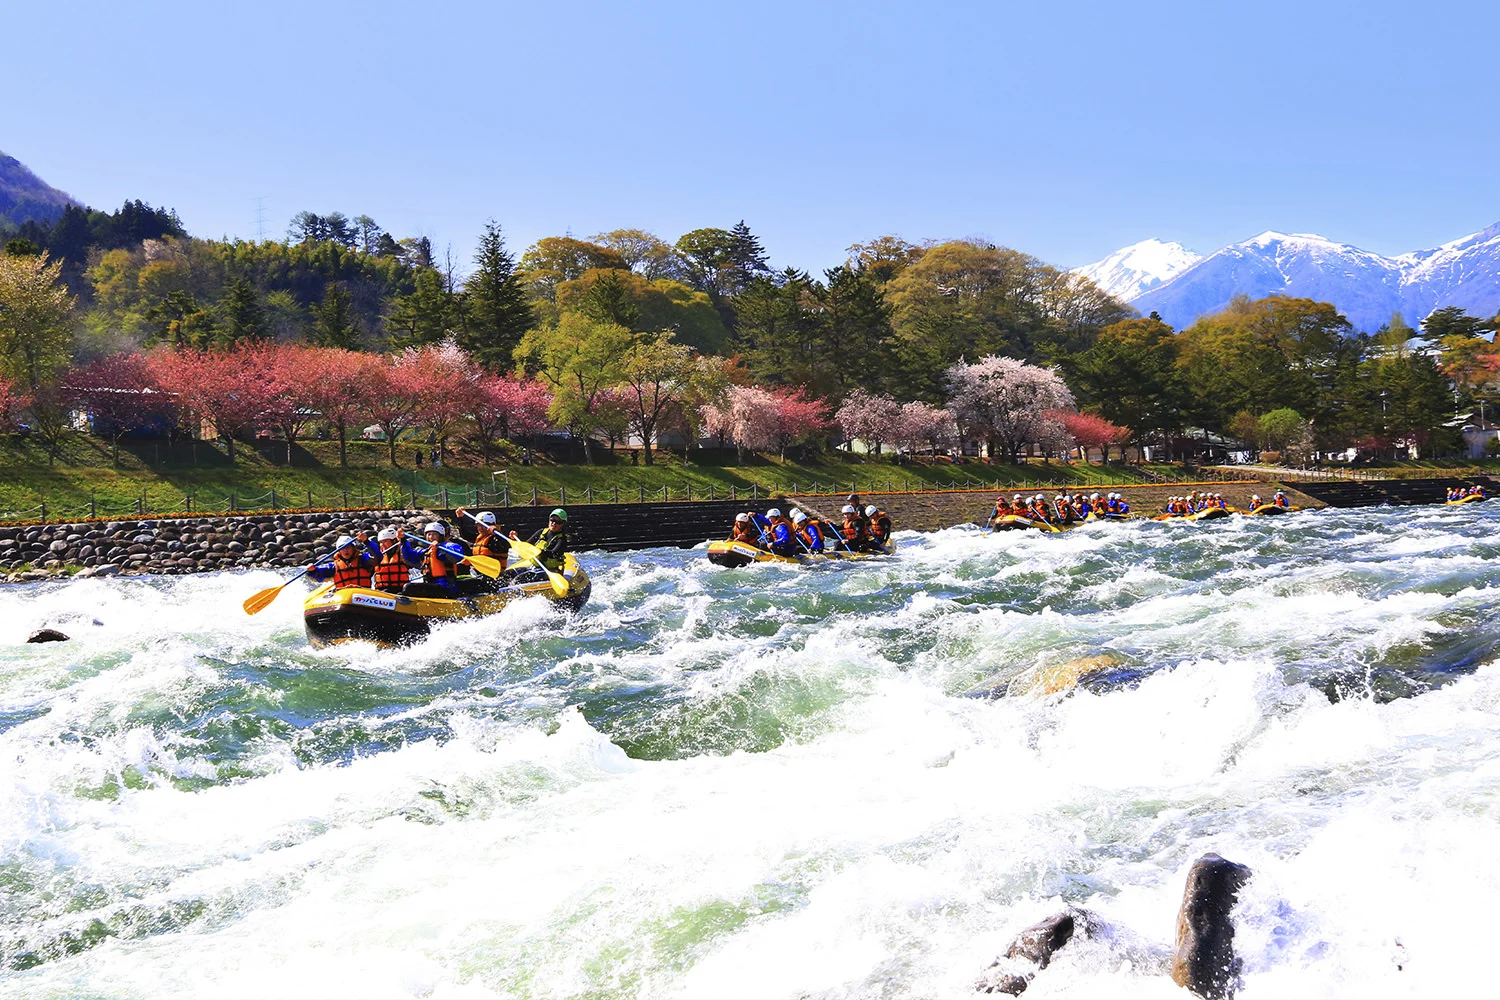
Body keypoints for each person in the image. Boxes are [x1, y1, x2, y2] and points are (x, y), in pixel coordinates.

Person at [403, 521, 467, 597]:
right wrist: (403, 541)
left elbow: (457, 553)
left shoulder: (446, 546)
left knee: (409, 587)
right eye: (429, 534)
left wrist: (441, 547)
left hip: (446, 586)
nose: (431, 537)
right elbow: (409, 556)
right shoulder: (427, 551)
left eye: (434, 534)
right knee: (406, 588)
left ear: (440, 536)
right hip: (432, 585)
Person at [307, 532, 378, 590]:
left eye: (348, 547)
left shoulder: (364, 560)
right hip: (343, 596)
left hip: (363, 595)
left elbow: (377, 557)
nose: (345, 550)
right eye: (342, 548)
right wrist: (312, 570)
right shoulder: (334, 566)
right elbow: (318, 573)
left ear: (353, 548)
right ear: (339, 551)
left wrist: (367, 541)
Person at [371, 526, 422, 593]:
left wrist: (402, 540)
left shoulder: (402, 554)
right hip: (381, 590)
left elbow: (407, 552)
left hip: (399, 590)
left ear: (394, 541)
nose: (382, 545)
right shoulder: (379, 556)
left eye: (385, 541)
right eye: (380, 542)